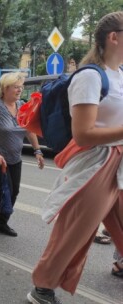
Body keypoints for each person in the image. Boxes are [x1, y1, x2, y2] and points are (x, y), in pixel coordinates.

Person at [28, 12, 123, 304]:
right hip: (97, 163)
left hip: (119, 162)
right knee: (75, 229)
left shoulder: (120, 75)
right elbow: (82, 134)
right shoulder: (90, 77)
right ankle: (42, 287)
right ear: (114, 37)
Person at [0, 72, 44, 238]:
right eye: (16, 87)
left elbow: (28, 130)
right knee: (4, 190)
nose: (19, 90)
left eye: (21, 87)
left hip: (15, 158)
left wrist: (37, 150)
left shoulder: (22, 106)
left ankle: (1, 222)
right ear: (5, 89)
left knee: (14, 192)